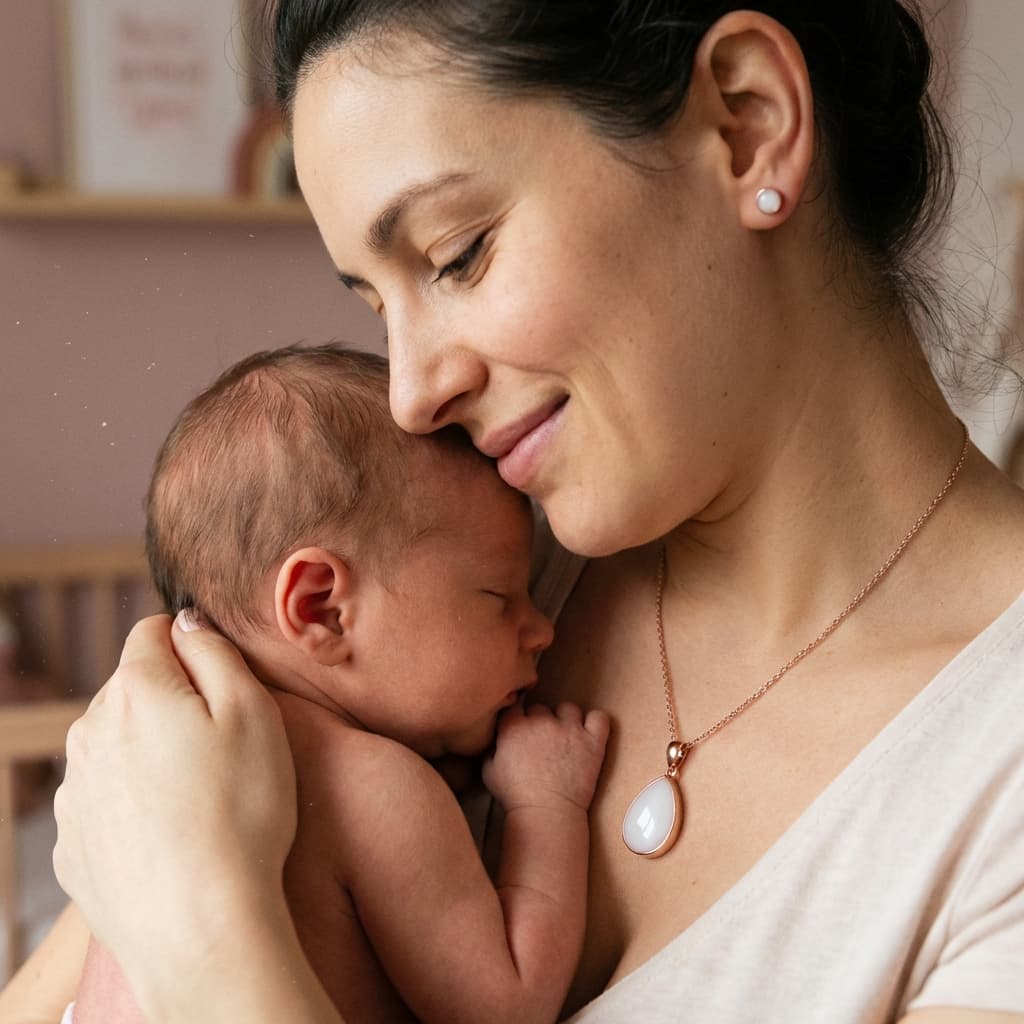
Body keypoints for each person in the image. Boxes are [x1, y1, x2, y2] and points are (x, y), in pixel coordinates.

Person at [3, 0, 1023, 1021]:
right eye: (374, 305)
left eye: (456, 254)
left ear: (746, 123)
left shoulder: (991, 777)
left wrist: (206, 929)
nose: (410, 394)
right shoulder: (464, 580)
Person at [68, 344, 609, 1024]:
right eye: (500, 597)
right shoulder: (372, 784)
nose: (541, 630)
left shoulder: (160, 770)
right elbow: (508, 1004)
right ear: (321, 607)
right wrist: (544, 807)